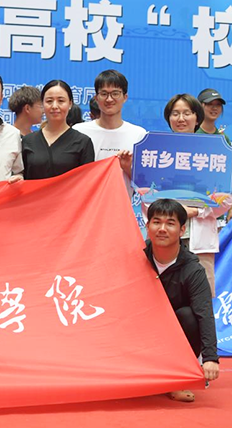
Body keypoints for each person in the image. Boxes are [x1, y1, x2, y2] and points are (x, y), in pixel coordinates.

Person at [144, 199, 219, 402]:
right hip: (142, 328)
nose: (162, 229)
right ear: (147, 226)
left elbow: (205, 314)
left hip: (174, 334)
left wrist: (211, 358)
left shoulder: (193, 270)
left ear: (182, 229)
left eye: (170, 223)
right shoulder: (137, 257)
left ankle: (177, 378)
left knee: (188, 315)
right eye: (156, 222)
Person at [163, 93, 232, 296]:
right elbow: (146, 194)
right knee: (164, 301)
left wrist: (195, 211)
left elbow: (226, 197)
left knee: (201, 303)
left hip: (201, 240)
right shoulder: (158, 151)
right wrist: (174, 212)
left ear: (197, 117)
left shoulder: (214, 151)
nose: (181, 119)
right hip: (165, 239)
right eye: (175, 113)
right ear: (168, 118)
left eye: (187, 113)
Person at [73, 70, 147, 194]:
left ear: (125, 97)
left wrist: (128, 168)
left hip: (121, 204)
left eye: (115, 93)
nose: (109, 99)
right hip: (85, 204)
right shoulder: (79, 131)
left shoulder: (139, 135)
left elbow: (145, 185)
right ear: (96, 98)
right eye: (104, 94)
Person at [21, 80, 94, 179]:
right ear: (42, 104)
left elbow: (88, 181)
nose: (54, 106)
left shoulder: (83, 142)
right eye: (49, 101)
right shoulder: (28, 141)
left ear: (70, 104)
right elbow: (22, 175)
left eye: (61, 101)